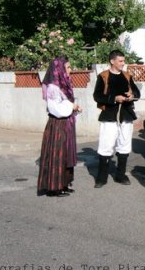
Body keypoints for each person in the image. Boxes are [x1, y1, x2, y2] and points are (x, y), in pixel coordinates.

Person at [93, 50, 140, 188]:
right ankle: (101, 178)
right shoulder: (103, 77)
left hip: (125, 115)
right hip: (109, 116)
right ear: (112, 61)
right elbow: (97, 96)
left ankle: (120, 175)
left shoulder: (127, 76)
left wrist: (132, 95)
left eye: (123, 61)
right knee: (106, 145)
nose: (123, 63)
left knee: (124, 145)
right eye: (120, 61)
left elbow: (137, 93)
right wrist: (114, 98)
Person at [37, 57, 82, 197]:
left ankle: (64, 184)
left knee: (67, 153)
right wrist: (71, 106)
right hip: (57, 125)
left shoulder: (65, 84)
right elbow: (54, 108)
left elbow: (65, 103)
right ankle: (53, 188)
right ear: (59, 69)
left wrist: (74, 108)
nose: (70, 70)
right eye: (68, 67)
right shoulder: (53, 87)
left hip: (66, 123)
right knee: (58, 155)